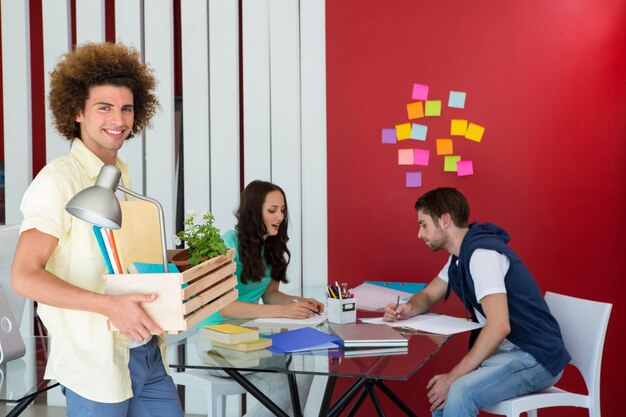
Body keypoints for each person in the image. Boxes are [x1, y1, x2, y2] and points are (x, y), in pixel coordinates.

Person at [11, 43, 183, 417]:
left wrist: (187, 263)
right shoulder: (57, 181)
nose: (117, 119)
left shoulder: (120, 176)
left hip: (147, 352)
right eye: (104, 107)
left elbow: (120, 263)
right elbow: (24, 277)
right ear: (76, 111)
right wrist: (108, 307)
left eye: (126, 108)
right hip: (95, 365)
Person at [383, 187, 570, 417]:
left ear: (444, 220)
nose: (419, 234)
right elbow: (429, 295)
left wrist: (454, 376)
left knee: (459, 391)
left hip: (536, 357)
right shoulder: (459, 257)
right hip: (510, 354)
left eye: (424, 224)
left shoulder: (482, 255)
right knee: (445, 397)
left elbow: (500, 325)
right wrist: (408, 308)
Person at [197, 179, 324, 416]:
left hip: (249, 339)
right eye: (272, 211)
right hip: (216, 342)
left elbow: (270, 294)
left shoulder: (270, 247)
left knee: (304, 371)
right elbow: (226, 308)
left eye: (283, 211)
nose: (280, 217)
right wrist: (284, 312)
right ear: (255, 212)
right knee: (292, 374)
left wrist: (298, 303)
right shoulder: (228, 244)